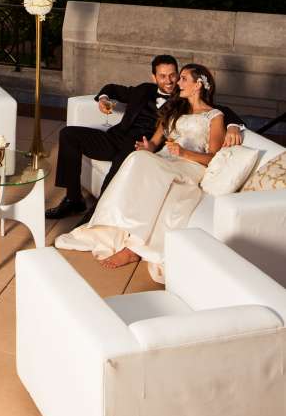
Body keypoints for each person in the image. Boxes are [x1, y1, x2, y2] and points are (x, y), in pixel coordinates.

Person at [54, 63, 225, 282]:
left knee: (139, 162)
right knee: (138, 157)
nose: (176, 82)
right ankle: (106, 224)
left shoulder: (215, 116)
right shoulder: (175, 108)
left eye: (182, 78)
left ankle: (134, 247)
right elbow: (154, 142)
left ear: (198, 85)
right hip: (162, 158)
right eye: (173, 77)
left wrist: (185, 152)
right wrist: (148, 148)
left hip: (189, 164)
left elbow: (214, 157)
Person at [45, 54, 245, 222]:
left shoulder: (183, 100)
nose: (169, 81)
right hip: (116, 137)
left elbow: (216, 110)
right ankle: (73, 199)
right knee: (68, 134)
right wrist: (104, 99)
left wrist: (233, 125)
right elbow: (112, 88)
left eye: (173, 75)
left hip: (145, 146)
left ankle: (96, 213)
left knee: (126, 157)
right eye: (162, 76)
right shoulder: (143, 91)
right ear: (154, 77)